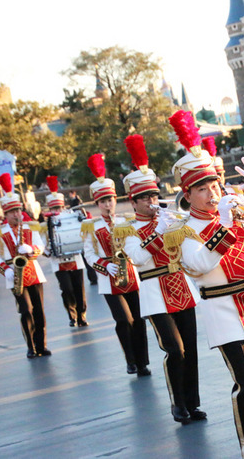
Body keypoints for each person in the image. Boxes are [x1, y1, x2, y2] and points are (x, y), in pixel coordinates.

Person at [166, 110, 244, 458]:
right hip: (224, 311)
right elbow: (197, 263)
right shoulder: (182, 229)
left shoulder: (235, 209)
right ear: (186, 194)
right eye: (202, 189)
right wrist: (220, 225)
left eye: (214, 186)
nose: (211, 193)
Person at [117, 134, 204, 423]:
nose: (152, 202)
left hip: (181, 286)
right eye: (145, 198)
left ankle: (192, 403)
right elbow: (139, 259)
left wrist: (178, 225)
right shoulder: (127, 228)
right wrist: (158, 231)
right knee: (175, 349)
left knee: (190, 350)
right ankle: (177, 403)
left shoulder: (171, 219)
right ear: (134, 201)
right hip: (155, 292)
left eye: (154, 196)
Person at [81, 153, 150, 376]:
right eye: (103, 201)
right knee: (123, 320)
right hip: (109, 278)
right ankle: (130, 360)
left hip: (131, 273)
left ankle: (142, 362)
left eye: (110, 200)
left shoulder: (127, 220)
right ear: (97, 203)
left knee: (138, 321)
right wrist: (103, 266)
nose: (108, 204)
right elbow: (89, 254)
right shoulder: (90, 226)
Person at [0, 173, 50, 359]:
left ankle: (42, 345)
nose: (17, 214)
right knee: (26, 311)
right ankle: (31, 346)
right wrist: (5, 270)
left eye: (18, 210)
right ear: (6, 214)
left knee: (39, 311)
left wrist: (31, 248)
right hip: (14, 274)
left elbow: (41, 246)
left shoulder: (30, 227)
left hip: (33, 271)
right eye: (13, 212)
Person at [43, 176, 88, 327]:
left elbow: (81, 233)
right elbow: (42, 243)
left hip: (75, 258)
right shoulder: (46, 224)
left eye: (59, 208)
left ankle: (82, 314)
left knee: (79, 289)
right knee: (66, 289)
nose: (57, 211)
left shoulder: (71, 218)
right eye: (54, 209)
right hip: (59, 261)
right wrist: (48, 250)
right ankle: (72, 315)